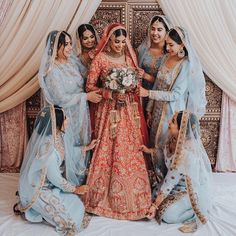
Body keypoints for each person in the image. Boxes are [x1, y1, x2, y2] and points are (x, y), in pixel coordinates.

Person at [84, 23, 151, 220]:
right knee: (108, 147)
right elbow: (89, 87)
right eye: (116, 41)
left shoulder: (129, 58)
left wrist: (131, 89)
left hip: (128, 110)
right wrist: (109, 93)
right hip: (108, 110)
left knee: (128, 148)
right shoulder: (100, 59)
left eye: (123, 41)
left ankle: (134, 196)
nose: (120, 45)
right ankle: (101, 198)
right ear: (108, 40)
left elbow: (135, 85)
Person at [15, 106, 97, 235]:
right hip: (39, 189)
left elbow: (68, 151)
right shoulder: (48, 151)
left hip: (50, 185)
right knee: (70, 221)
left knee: (77, 204)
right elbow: (56, 178)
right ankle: (34, 208)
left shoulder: (57, 135)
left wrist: (85, 148)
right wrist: (76, 189)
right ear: (57, 123)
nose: (68, 120)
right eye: (65, 118)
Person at [139, 27, 207, 182]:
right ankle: (157, 180)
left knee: (166, 145)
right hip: (157, 110)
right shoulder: (166, 58)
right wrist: (149, 109)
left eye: (171, 45)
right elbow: (157, 83)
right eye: (167, 44)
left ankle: (168, 182)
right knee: (154, 141)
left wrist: (148, 94)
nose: (167, 48)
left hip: (172, 111)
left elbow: (176, 94)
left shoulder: (185, 65)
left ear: (182, 45)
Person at [39, 30, 102, 185]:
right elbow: (60, 99)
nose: (69, 47)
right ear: (55, 47)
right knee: (68, 148)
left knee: (82, 144)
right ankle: (67, 183)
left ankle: (80, 180)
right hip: (65, 116)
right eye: (65, 44)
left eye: (70, 43)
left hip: (80, 112)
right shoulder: (52, 70)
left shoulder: (71, 61)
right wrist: (86, 97)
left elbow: (87, 76)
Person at [141, 111, 212, 233]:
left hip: (186, 190)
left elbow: (169, 183)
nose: (169, 122)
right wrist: (149, 151)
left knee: (168, 216)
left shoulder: (184, 154)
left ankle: (194, 210)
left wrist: (155, 206)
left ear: (182, 129)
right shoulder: (173, 140)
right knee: (148, 195)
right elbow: (163, 153)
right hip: (172, 184)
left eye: (173, 122)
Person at [137, 15, 171, 116]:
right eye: (153, 29)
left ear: (167, 32)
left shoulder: (170, 54)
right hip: (142, 95)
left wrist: (146, 76)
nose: (155, 33)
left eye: (159, 29)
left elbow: (169, 82)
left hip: (160, 97)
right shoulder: (143, 50)